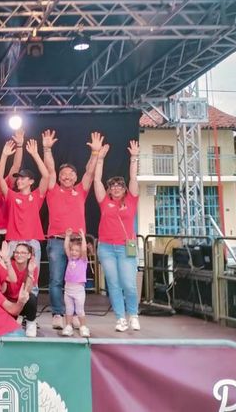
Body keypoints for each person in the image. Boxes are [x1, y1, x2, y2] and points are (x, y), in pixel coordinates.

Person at [43, 130, 99, 330]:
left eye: (70, 174)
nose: (67, 177)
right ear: (59, 177)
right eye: (63, 175)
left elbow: (90, 173)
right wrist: (47, 149)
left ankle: (74, 314)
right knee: (56, 279)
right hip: (57, 240)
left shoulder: (81, 190)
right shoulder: (52, 189)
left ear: (75, 177)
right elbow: (49, 169)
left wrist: (94, 153)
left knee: (77, 280)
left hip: (76, 242)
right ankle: (58, 314)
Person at [94, 139, 141, 332]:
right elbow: (96, 180)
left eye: (119, 185)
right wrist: (100, 159)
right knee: (113, 284)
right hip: (106, 247)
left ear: (124, 188)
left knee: (129, 284)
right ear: (109, 188)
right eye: (112, 185)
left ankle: (133, 315)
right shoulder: (104, 201)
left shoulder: (131, 200)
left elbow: (134, 179)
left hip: (125, 247)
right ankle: (121, 318)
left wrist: (134, 158)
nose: (116, 187)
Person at [1, 242, 40, 337]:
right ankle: (17, 318)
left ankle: (31, 322)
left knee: (31, 298)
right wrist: (5, 271)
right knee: (7, 329)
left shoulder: (33, 267)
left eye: (23, 253)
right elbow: (2, 290)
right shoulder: (8, 265)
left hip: (22, 299)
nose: (19, 255)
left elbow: (28, 291)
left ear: (29, 255)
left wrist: (30, 273)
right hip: (8, 301)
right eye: (17, 252)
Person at [61, 228, 90, 337]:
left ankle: (83, 327)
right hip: (68, 289)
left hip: (78, 290)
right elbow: (66, 247)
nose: (73, 252)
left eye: (77, 251)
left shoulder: (83, 260)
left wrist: (83, 237)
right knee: (68, 309)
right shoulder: (70, 259)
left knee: (79, 310)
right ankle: (68, 326)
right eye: (72, 250)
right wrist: (67, 236)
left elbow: (84, 250)